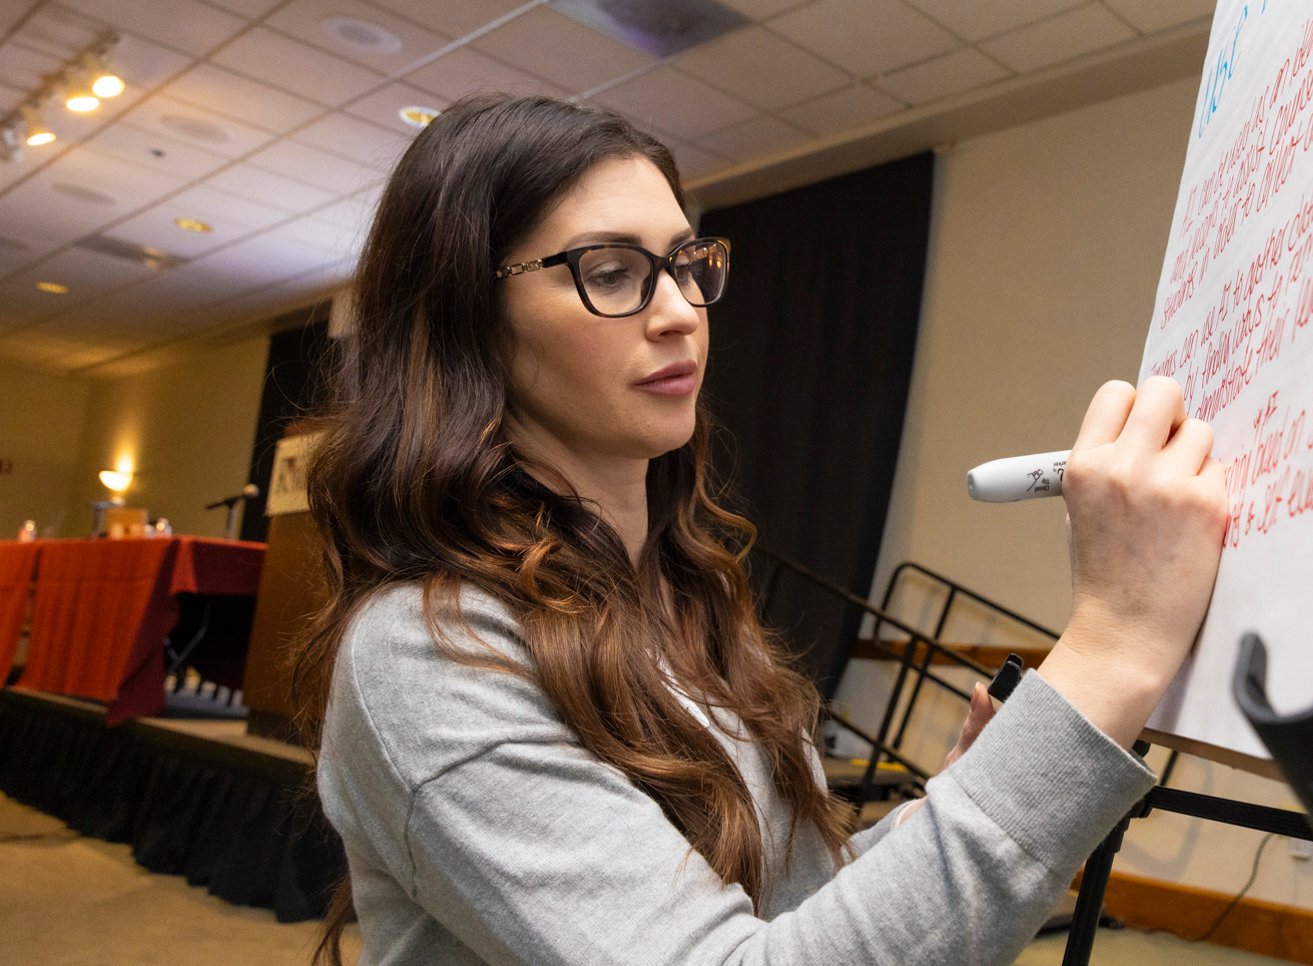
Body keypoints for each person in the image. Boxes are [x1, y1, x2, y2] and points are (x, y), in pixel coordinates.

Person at [294, 92, 1228, 966]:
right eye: (610, 271)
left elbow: (787, 906)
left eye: (686, 264)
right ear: (464, 320)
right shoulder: (424, 649)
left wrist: (959, 798)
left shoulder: (681, 593)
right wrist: (1115, 642)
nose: (680, 312)